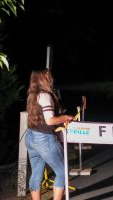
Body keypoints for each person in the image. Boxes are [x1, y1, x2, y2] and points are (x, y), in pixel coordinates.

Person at [25, 69, 75, 200]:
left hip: (30, 136)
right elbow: (49, 120)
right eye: (48, 77)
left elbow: (41, 118)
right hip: (44, 140)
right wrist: (65, 117)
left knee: (36, 172)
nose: (51, 79)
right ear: (41, 79)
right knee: (62, 172)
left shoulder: (32, 95)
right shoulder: (46, 96)